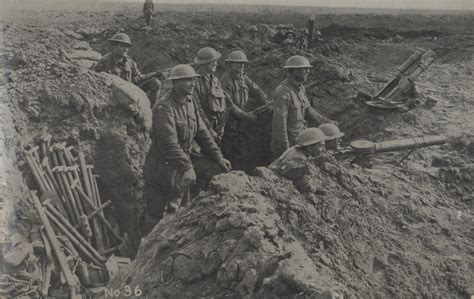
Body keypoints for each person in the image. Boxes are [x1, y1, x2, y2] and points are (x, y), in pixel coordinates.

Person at [142, 64, 231, 235]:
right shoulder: (164, 107)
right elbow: (169, 145)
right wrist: (188, 168)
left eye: (193, 80)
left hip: (182, 163)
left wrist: (219, 157)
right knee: (154, 216)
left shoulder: (190, 102)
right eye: (187, 80)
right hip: (162, 168)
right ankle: (146, 252)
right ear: (175, 83)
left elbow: (203, 134)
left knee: (181, 212)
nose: (192, 84)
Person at [271, 55, 334, 158]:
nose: (308, 71)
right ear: (295, 71)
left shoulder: (300, 89)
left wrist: (328, 122)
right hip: (291, 145)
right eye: (305, 69)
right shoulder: (283, 92)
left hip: (301, 140)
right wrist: (285, 151)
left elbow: (309, 110)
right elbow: (279, 126)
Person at [220, 50, 269, 171]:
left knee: (244, 150)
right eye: (238, 63)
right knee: (230, 152)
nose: (241, 66)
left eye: (242, 64)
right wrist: (246, 116)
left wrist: (266, 104)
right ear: (230, 65)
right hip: (229, 124)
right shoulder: (225, 81)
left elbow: (258, 91)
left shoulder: (244, 79)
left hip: (241, 122)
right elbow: (230, 106)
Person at [95, 33, 162, 107]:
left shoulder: (130, 62)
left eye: (127, 47)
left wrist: (153, 75)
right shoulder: (104, 62)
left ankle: (149, 110)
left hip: (130, 90)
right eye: (122, 46)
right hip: (115, 94)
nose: (125, 49)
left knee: (155, 83)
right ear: (114, 46)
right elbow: (100, 84)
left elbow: (138, 77)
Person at [193, 47, 228, 145]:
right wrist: (209, 130)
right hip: (202, 129)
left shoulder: (215, 80)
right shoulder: (195, 82)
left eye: (215, 61)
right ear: (203, 64)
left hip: (217, 126)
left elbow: (223, 105)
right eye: (212, 61)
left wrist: (221, 127)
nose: (215, 64)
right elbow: (198, 109)